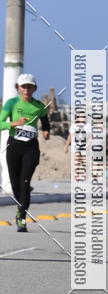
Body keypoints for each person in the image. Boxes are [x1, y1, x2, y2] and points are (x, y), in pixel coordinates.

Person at [0, 73, 50, 232]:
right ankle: (21, 202)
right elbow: (0, 123)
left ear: (34, 88)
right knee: (16, 184)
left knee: (24, 183)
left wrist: (46, 132)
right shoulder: (12, 103)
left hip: (31, 147)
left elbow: (45, 122)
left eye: (30, 86)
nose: (27, 89)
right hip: (14, 146)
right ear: (18, 88)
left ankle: (21, 217)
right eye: (23, 86)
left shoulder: (39, 106)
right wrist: (13, 124)